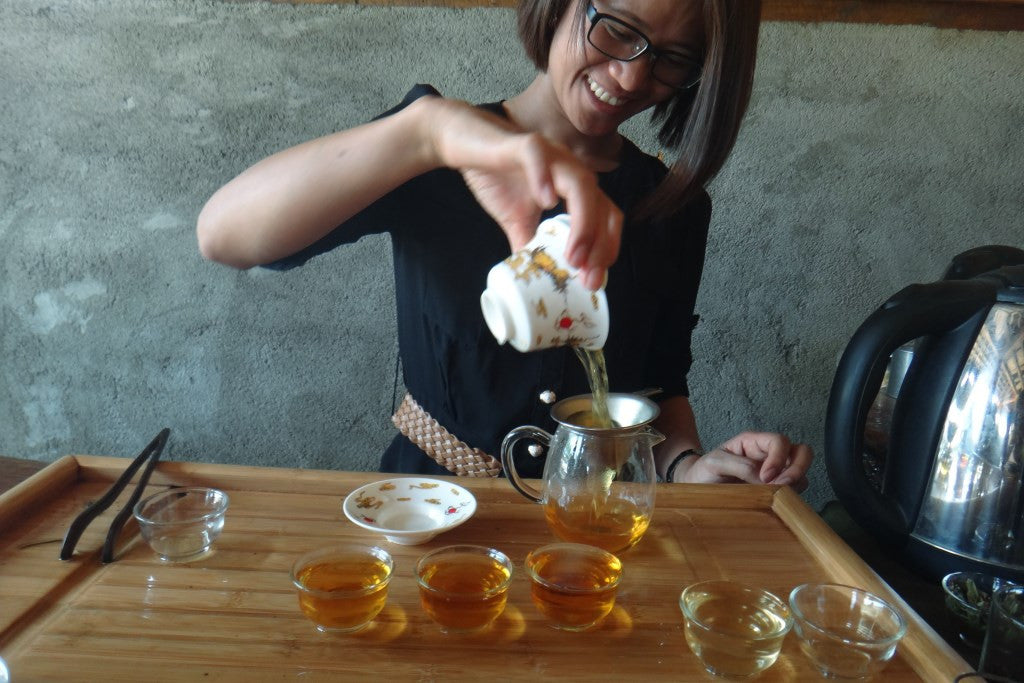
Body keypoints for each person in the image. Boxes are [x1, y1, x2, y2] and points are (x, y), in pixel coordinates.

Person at [197, 0, 813, 489]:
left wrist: (688, 468)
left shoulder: (671, 205)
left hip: (587, 525)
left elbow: (659, 384)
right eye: (619, 29)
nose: (632, 75)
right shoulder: (440, 151)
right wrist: (426, 130)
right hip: (431, 509)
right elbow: (225, 234)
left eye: (673, 58)